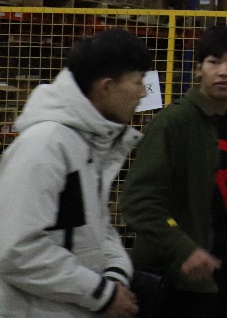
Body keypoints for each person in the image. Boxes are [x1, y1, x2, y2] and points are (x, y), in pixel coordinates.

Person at [0, 28, 152, 318]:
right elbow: (15, 250)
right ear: (106, 87)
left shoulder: (86, 144)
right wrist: (101, 294)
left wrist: (115, 275)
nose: (143, 93)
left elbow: (96, 228)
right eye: (138, 81)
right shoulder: (45, 146)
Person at [122, 25, 227, 318]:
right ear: (198, 68)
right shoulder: (174, 123)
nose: (224, 72)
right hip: (175, 282)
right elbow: (138, 201)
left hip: (220, 282)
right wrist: (185, 249)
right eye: (214, 62)